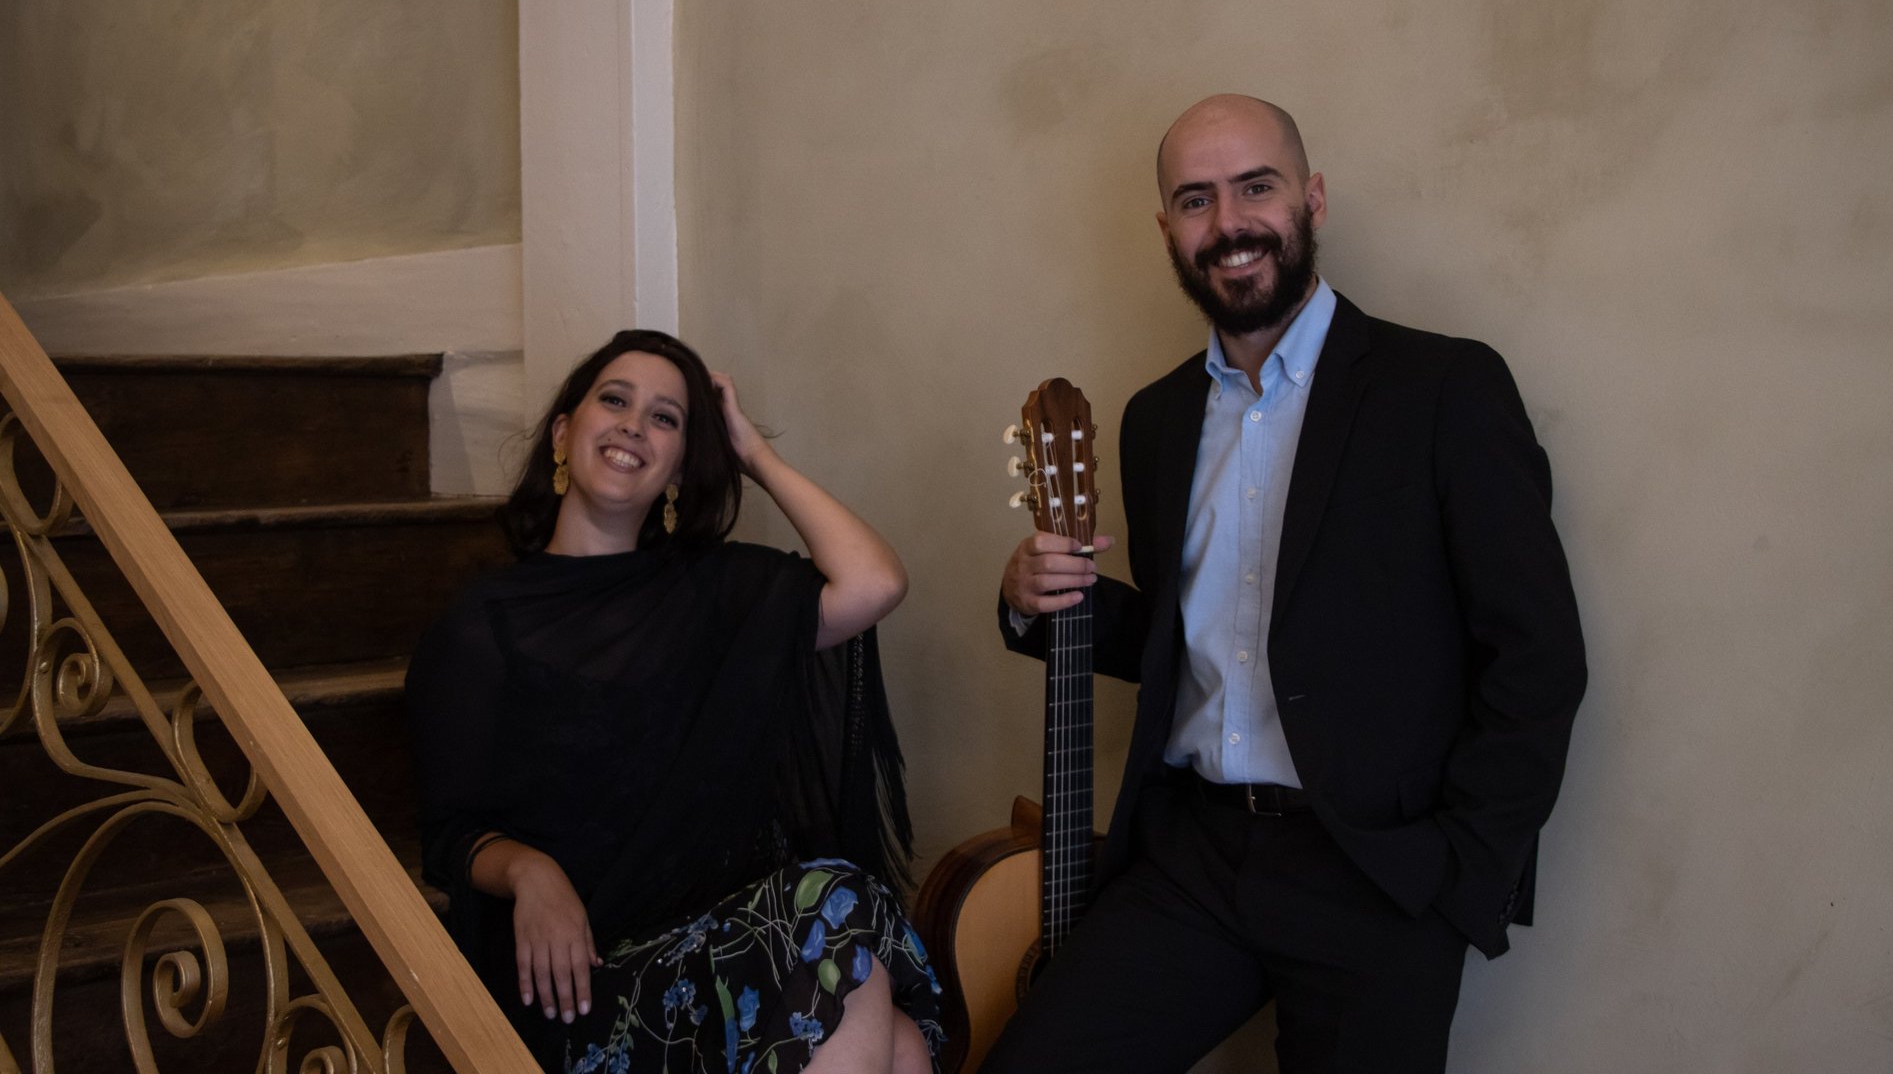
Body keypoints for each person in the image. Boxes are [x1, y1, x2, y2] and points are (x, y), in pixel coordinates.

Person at [985, 95, 1587, 1073]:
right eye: (1195, 199)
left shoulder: (1443, 388)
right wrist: (1032, 598)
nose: (1228, 223)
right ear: (1167, 228)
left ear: (1310, 198)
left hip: (1375, 870)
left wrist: (1455, 870)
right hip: (1193, 854)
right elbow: (1190, 639)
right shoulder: (1156, 417)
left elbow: (1536, 655)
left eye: (1254, 187)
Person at [407, 329, 943, 1074]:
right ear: (564, 432)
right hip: (585, 979)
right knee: (866, 981)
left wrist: (753, 453)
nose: (634, 424)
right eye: (615, 400)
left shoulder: (713, 590)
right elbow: (447, 834)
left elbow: (875, 582)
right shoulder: (483, 622)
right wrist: (531, 870)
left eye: (666, 418)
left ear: (683, 466)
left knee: (898, 1033)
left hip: (723, 945)